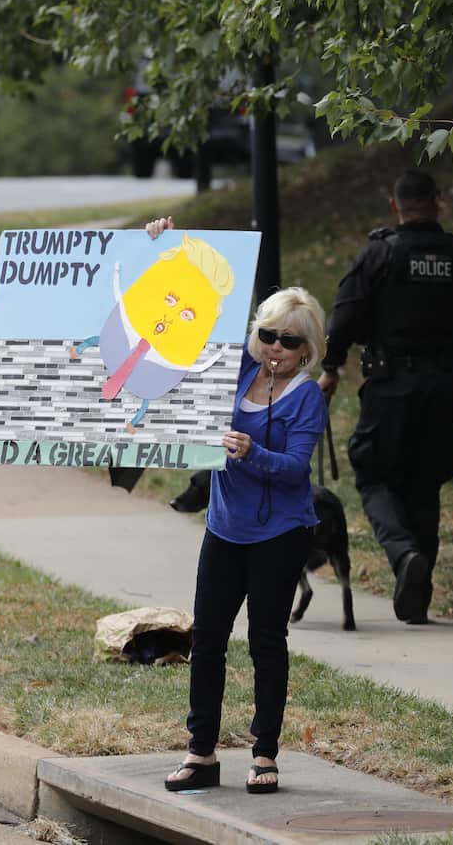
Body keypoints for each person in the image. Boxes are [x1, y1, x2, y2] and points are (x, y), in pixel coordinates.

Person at [150, 215, 328, 796]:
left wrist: (252, 452)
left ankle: (265, 752)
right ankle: (200, 751)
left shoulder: (307, 398)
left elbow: (296, 469)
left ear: (309, 349)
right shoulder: (233, 371)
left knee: (266, 642)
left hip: (281, 533)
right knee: (208, 639)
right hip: (224, 528)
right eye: (269, 335)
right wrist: (171, 247)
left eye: (291, 340)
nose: (276, 347)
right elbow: (195, 312)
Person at [319, 169, 453, 624]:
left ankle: (404, 556)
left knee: (372, 472)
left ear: (394, 205)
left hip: (389, 388)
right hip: (444, 391)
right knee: (425, 484)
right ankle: (417, 600)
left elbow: (343, 317)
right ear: (438, 201)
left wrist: (330, 371)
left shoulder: (379, 255)